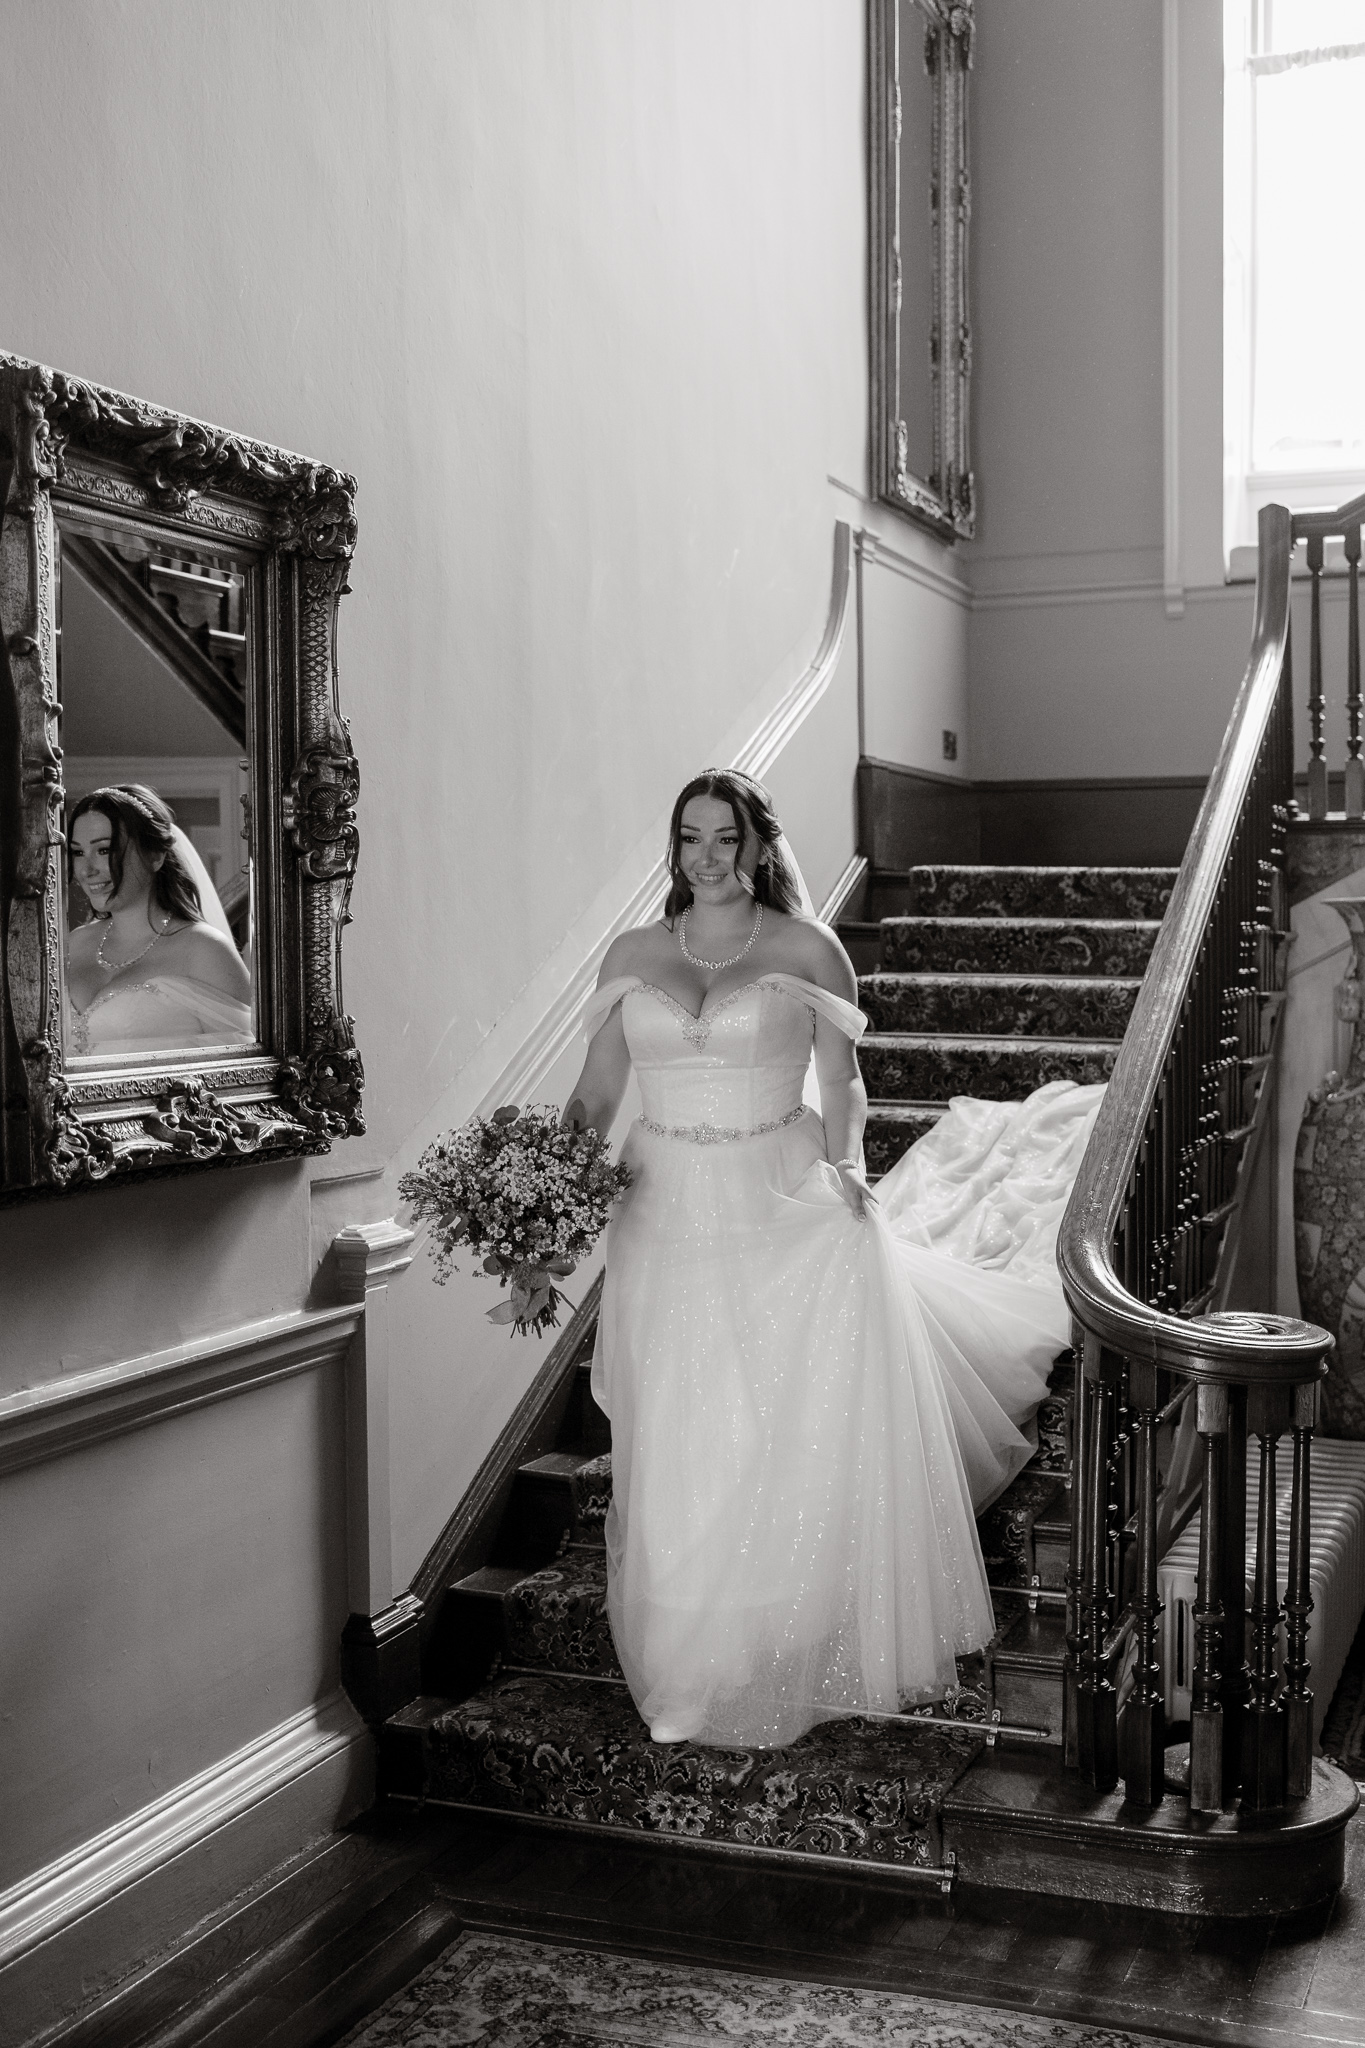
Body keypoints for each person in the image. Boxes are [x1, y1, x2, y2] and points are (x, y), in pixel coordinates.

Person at [564, 768, 1103, 1750]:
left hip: (773, 1191)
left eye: (727, 837)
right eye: (691, 837)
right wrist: (548, 1184)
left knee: (761, 1418)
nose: (708, 857)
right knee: (678, 1419)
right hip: (660, 1212)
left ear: (760, 844)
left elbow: (839, 1076)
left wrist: (849, 1166)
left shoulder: (808, 947)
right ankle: (695, 1645)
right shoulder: (636, 950)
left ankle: (775, 1631)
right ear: (674, 846)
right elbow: (597, 1093)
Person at [66, 784, 254, 1056]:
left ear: (155, 856)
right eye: (78, 852)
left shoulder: (203, 949)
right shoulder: (73, 943)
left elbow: (248, 1068)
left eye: (104, 850)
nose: (87, 870)